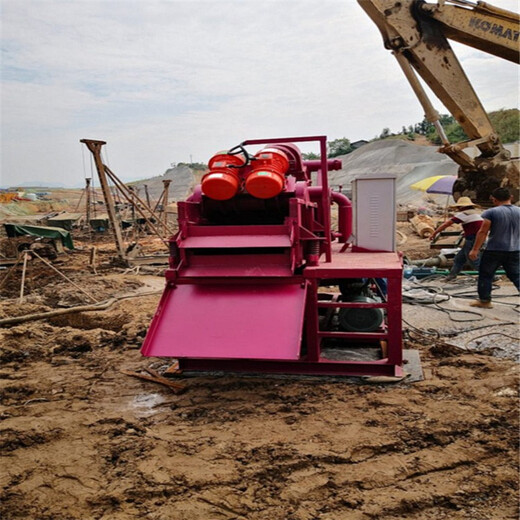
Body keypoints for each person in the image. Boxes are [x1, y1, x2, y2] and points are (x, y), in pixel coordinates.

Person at [468, 187, 520, 308]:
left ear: (494, 199)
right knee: (517, 276)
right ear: (511, 197)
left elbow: (483, 232)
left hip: (494, 250)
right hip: (515, 250)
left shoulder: (491, 212)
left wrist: (475, 249)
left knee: (486, 275)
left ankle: (485, 301)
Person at [429, 196, 483, 281]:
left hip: (472, 239)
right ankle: (452, 275)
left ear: (461, 207)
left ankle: (489, 276)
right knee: (459, 258)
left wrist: (435, 233)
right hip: (478, 238)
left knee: (473, 259)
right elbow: (474, 226)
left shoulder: (464, 214)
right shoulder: (476, 213)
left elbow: (447, 224)